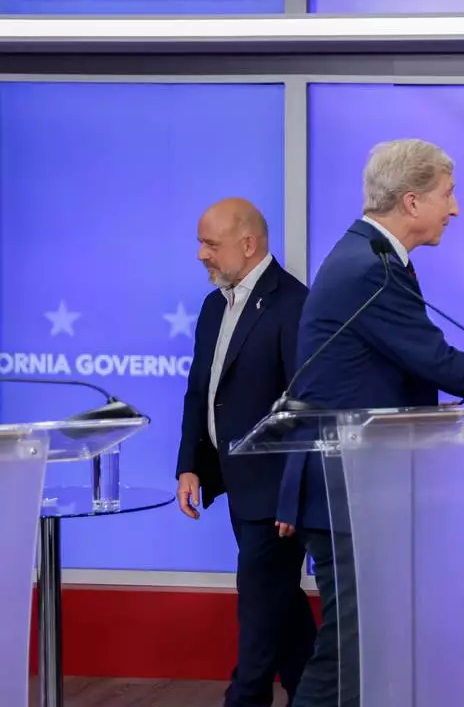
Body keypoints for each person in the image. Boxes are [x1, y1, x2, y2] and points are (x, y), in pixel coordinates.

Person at [275, 139, 464, 705]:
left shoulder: (373, 257)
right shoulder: (368, 267)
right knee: (351, 652)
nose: (457, 208)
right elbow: (439, 361)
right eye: (449, 194)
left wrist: (418, 412)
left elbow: (380, 368)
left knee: (367, 648)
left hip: (362, 480)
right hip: (345, 487)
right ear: (412, 201)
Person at [175, 197, 315, 707]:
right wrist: (190, 465)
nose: (200, 256)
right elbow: (200, 391)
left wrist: (295, 494)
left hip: (275, 491)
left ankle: (246, 698)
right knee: (279, 598)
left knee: (258, 603)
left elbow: (305, 408)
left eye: (210, 244)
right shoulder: (216, 304)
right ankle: (315, 692)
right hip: (234, 483)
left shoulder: (294, 305)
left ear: (248, 244)